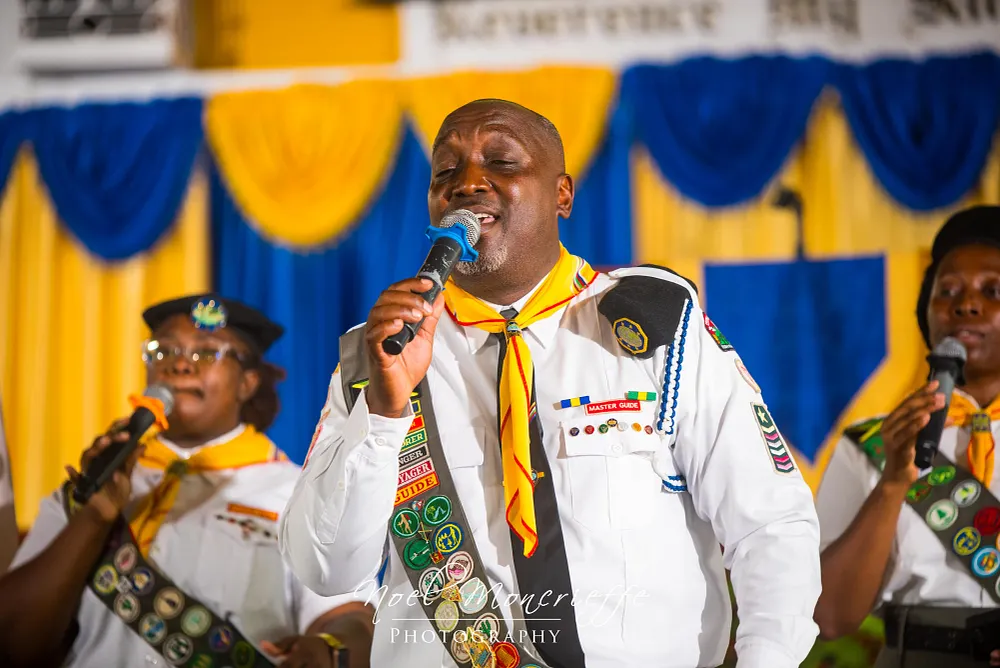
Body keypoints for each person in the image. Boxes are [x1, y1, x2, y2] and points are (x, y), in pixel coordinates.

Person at [279, 99, 822, 668]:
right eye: (446, 170)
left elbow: (770, 523)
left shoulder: (655, 324)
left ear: (562, 195)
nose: (467, 183)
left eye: (501, 161)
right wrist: (385, 411)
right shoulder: (377, 354)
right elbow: (326, 569)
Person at [0, 295, 374, 668]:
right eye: (163, 351)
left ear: (247, 382)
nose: (180, 364)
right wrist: (95, 516)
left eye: (207, 352)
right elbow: (13, 643)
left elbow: (352, 618)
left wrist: (329, 648)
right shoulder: (94, 482)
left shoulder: (297, 492)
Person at [814, 206, 1000, 667]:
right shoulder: (875, 442)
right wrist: (893, 482)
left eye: (992, 290)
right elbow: (829, 617)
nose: (966, 304)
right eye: (947, 290)